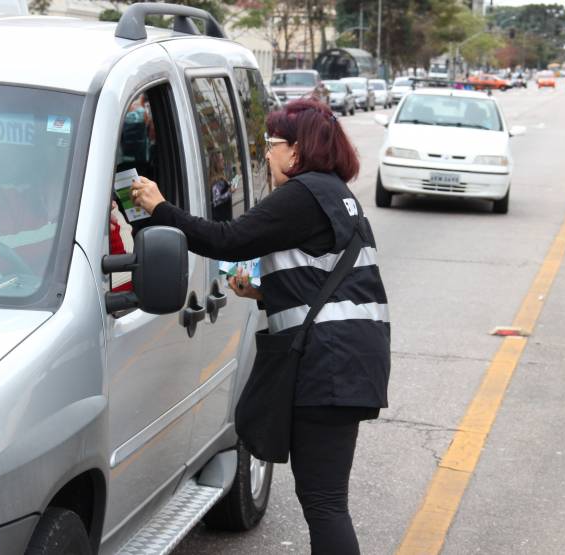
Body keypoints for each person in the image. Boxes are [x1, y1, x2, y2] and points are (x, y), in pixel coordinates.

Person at [129, 98, 390, 554]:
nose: (267, 154)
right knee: (326, 499)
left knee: (324, 503)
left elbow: (226, 239)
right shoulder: (337, 194)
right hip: (350, 358)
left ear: (297, 149)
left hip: (328, 365)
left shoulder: (302, 195)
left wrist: (161, 207)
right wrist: (264, 293)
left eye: (272, 144)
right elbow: (330, 281)